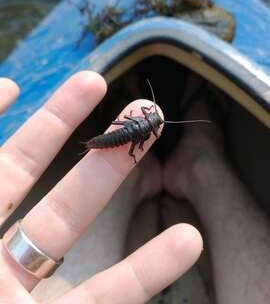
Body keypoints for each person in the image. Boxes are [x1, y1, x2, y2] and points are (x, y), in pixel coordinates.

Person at [1, 71, 270, 303]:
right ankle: (196, 137)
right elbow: (136, 142)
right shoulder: (145, 131)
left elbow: (136, 135)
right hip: (119, 138)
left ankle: (135, 160)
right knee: (126, 154)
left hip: (118, 134)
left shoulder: (142, 122)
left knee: (122, 150)